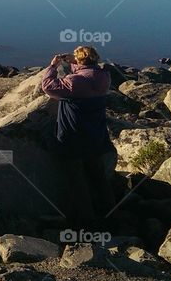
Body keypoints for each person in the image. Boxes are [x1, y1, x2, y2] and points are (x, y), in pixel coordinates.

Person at [40, 45, 116, 228]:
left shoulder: (74, 82)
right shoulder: (104, 77)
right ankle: (110, 215)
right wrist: (73, 62)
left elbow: (48, 86)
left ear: (80, 60)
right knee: (98, 177)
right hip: (96, 136)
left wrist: (52, 66)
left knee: (76, 181)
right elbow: (88, 74)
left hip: (73, 137)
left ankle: (85, 221)